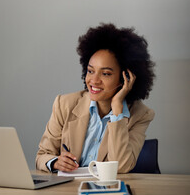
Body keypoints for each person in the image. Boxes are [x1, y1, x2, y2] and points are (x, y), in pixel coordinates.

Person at [36, 23, 155, 173]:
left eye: (105, 73)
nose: (94, 80)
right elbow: (42, 156)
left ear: (125, 78)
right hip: (68, 191)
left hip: (107, 191)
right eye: (90, 71)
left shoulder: (141, 115)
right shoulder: (64, 104)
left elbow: (122, 167)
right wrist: (55, 162)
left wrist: (117, 108)